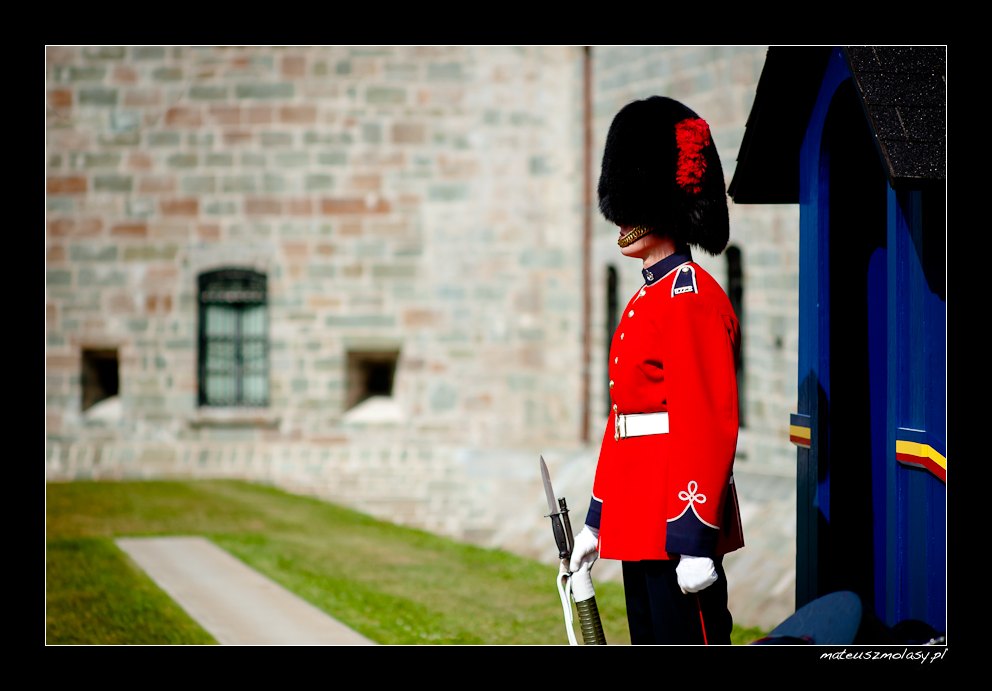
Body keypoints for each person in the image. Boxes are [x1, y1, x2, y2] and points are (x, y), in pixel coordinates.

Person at [569, 95, 744, 645]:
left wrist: (694, 537)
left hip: (675, 514)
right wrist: (598, 517)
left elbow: (706, 419)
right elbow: (625, 419)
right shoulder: (648, 298)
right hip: (637, 513)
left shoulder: (689, 297)